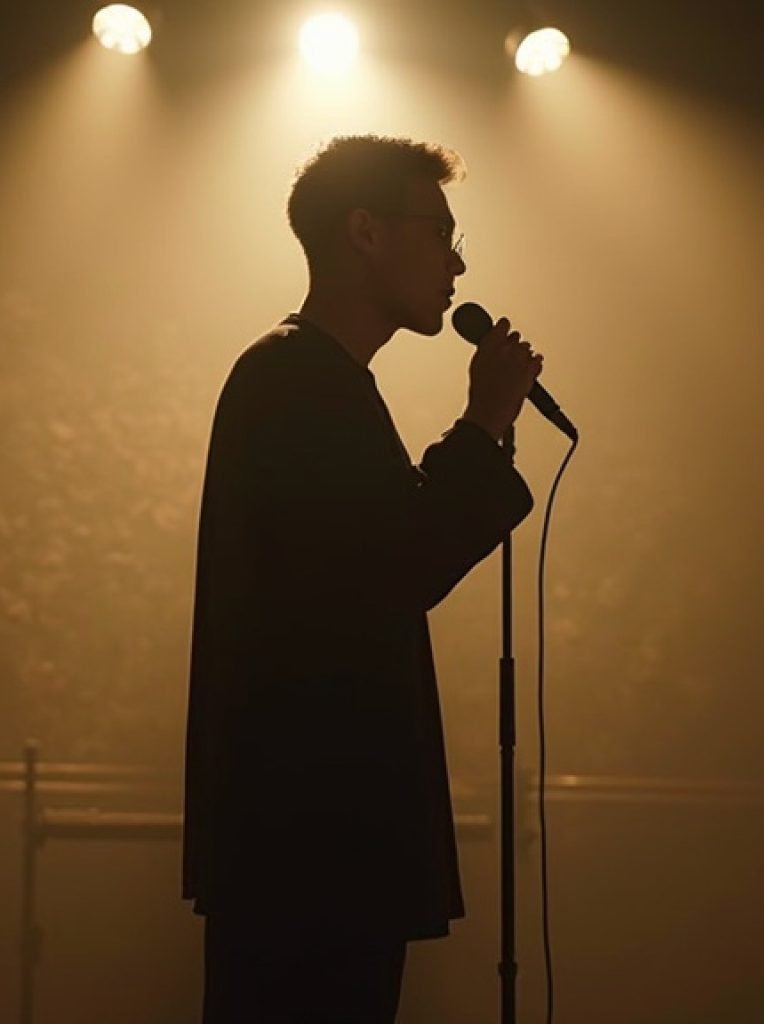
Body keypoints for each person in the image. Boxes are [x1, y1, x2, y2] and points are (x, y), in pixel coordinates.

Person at [182, 134, 542, 1024]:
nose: (457, 264)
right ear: (365, 231)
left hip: (316, 838)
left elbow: (380, 554)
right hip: (308, 841)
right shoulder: (293, 379)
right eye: (440, 233)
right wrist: (481, 425)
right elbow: (394, 562)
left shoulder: (315, 379)